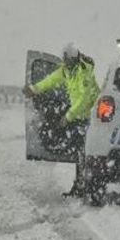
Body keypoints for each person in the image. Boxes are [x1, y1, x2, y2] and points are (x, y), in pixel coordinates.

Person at [22, 42, 99, 197]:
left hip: (87, 117)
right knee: (79, 154)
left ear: (73, 59)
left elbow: (84, 99)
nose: (65, 64)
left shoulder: (84, 73)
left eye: (67, 61)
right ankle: (80, 185)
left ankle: (84, 186)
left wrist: (68, 116)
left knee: (83, 154)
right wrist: (34, 89)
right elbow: (50, 80)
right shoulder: (66, 71)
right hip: (77, 116)